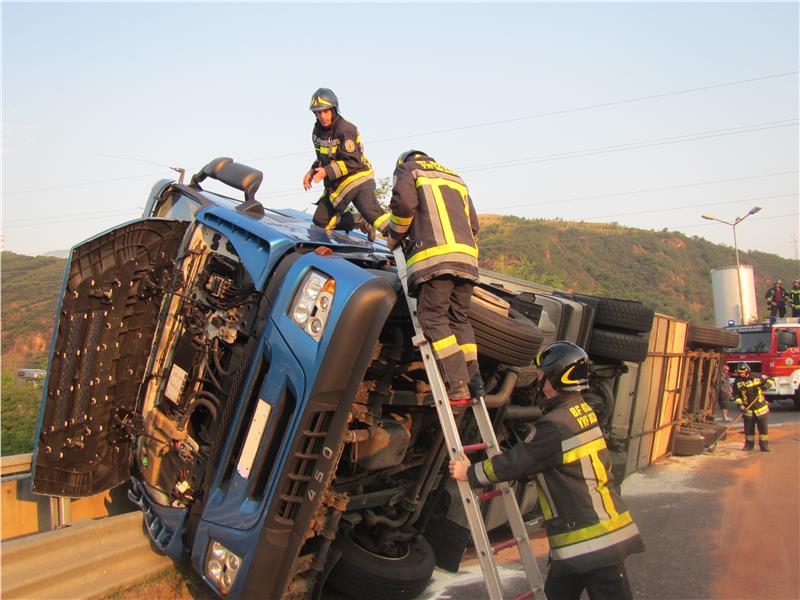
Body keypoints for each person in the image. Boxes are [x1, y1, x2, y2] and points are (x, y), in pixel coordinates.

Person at [450, 341, 644, 600]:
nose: (539, 376)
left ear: (555, 378)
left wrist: (470, 472)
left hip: (593, 540)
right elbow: (555, 462)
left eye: (543, 372)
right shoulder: (582, 410)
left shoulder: (555, 425)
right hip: (588, 535)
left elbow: (517, 462)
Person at [386, 150, 483, 401]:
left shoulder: (408, 170)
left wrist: (394, 235)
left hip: (435, 259)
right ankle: (474, 383)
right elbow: (473, 225)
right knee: (459, 319)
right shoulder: (455, 178)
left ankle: (457, 384)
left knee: (432, 318)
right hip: (467, 259)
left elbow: (404, 205)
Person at [303, 88, 389, 237]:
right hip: (337, 183)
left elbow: (352, 161)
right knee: (319, 222)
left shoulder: (346, 129)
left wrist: (326, 172)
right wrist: (312, 171)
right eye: (318, 112)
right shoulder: (317, 132)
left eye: (325, 111)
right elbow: (324, 157)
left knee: (374, 216)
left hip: (357, 178)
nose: (322, 116)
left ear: (334, 109)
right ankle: (358, 220)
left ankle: (404, 239)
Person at [732, 362, 773, 451]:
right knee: (748, 430)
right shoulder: (737, 382)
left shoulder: (757, 376)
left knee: (763, 429)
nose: (741, 374)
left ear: (747, 370)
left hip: (760, 408)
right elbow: (736, 395)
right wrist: (740, 406)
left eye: (742, 372)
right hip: (748, 410)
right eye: (739, 373)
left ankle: (764, 445)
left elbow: (770, 379)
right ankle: (749, 445)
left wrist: (767, 385)